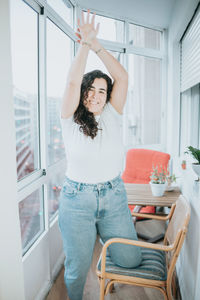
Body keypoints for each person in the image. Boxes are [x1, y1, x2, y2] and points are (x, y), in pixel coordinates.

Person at [58, 9, 142, 300]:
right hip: (76, 200)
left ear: (108, 96)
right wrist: (83, 45)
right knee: (76, 270)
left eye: (102, 91)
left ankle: (102, 261)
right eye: (90, 90)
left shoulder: (112, 114)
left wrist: (97, 46)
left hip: (113, 196)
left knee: (131, 260)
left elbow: (123, 76)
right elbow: (70, 83)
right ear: (83, 93)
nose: (95, 95)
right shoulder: (69, 117)